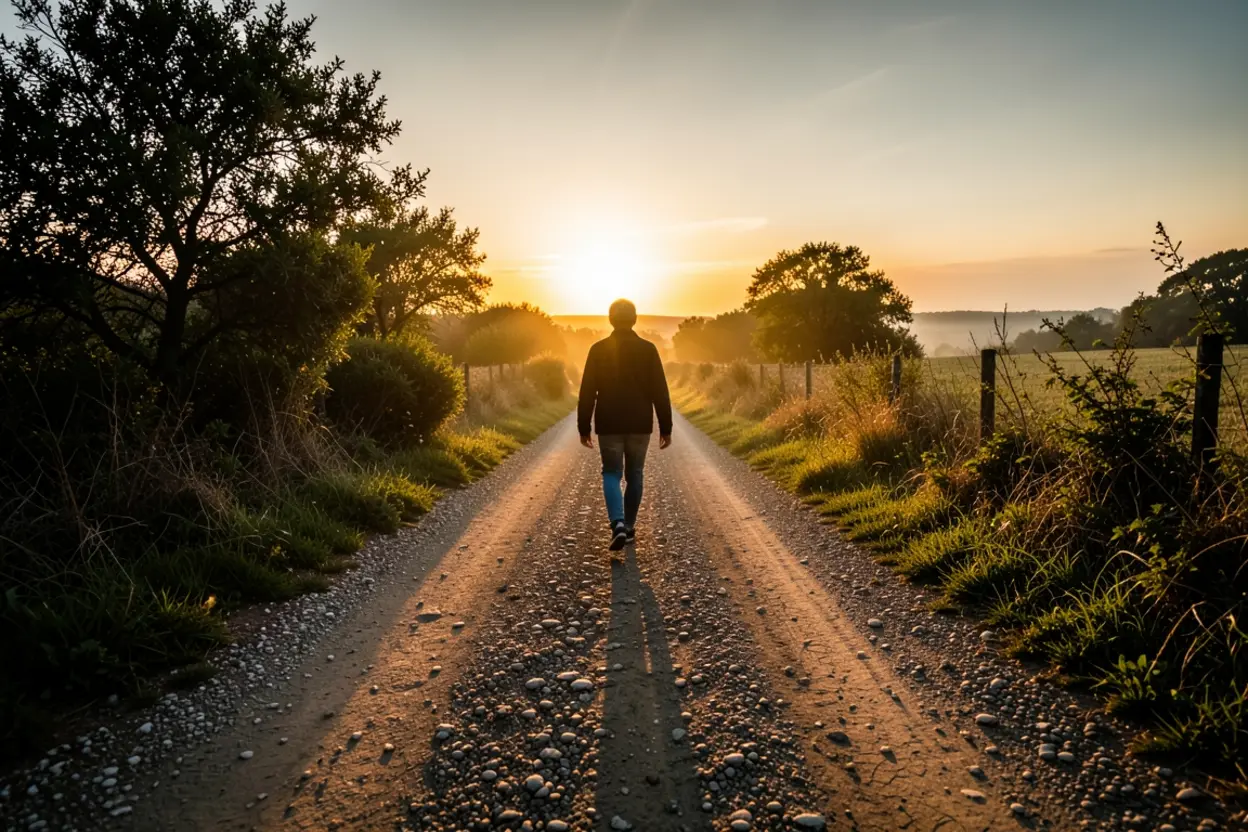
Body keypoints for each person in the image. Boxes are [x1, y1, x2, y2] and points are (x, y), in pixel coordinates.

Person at [577, 298, 673, 551]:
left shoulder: (597, 350)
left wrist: (583, 426)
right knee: (635, 474)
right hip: (640, 423)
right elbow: (660, 391)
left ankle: (617, 523)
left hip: (609, 422)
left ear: (610, 319)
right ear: (634, 319)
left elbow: (587, 391)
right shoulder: (649, 349)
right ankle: (628, 528)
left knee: (611, 472)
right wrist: (666, 427)